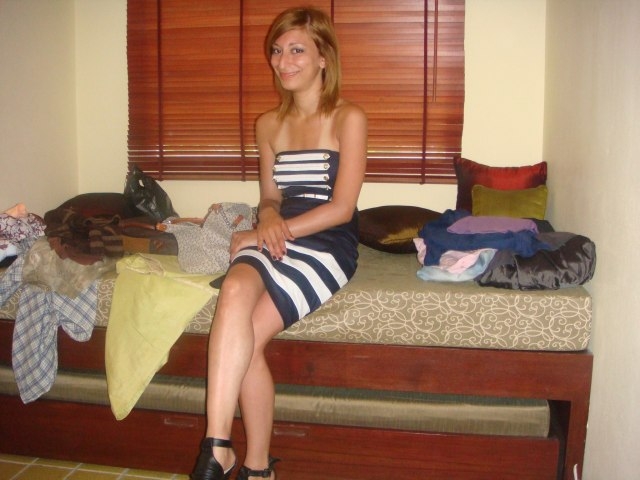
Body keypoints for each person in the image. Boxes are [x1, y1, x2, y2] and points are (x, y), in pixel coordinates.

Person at [190, 6, 367, 480]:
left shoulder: (348, 117)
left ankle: (245, 463)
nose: (282, 61)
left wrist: (269, 229)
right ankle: (224, 449)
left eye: (296, 50)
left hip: (327, 241)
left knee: (247, 339)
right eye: (276, 50)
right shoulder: (268, 124)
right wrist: (267, 215)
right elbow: (270, 196)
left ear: (324, 57)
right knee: (234, 291)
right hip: (276, 229)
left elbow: (342, 208)